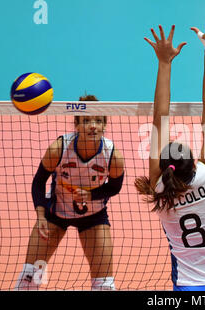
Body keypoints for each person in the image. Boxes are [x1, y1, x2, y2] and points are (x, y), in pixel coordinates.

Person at [135, 12, 205, 291]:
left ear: (163, 164)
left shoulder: (158, 187)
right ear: (193, 163)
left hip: (187, 285)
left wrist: (164, 63)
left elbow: (160, 116)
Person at [14, 95, 125, 290]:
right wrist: (40, 215)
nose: (93, 126)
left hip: (94, 218)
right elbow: (39, 182)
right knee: (29, 278)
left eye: (98, 121)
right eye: (86, 120)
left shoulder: (112, 155)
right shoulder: (59, 149)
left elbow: (115, 187)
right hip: (54, 215)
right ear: (77, 124)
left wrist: (91, 195)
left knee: (105, 285)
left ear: (105, 125)